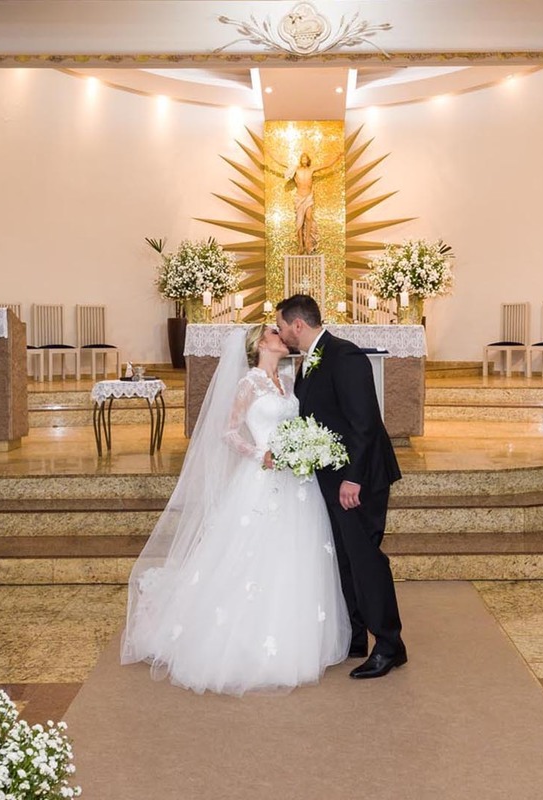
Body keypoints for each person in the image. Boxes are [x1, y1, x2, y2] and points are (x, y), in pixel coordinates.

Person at [121, 324, 351, 695]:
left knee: (296, 556)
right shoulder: (249, 383)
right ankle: (240, 643)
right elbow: (228, 432)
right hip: (262, 476)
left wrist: (306, 448)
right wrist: (261, 453)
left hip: (298, 482)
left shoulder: (291, 380)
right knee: (251, 557)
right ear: (261, 344)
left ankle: (297, 641)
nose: (283, 338)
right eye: (276, 334)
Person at [275, 294, 407, 679]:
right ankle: (355, 634)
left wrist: (353, 478)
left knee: (366, 559)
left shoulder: (344, 356)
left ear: (298, 325)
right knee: (345, 558)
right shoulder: (311, 360)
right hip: (334, 477)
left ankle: (390, 644)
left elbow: (364, 422)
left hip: (359, 478)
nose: (281, 334)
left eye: (282, 326)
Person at [269, 150, 341, 254]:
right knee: (299, 221)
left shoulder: (311, 170)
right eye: (302, 157)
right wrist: (270, 154)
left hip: (308, 197)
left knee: (308, 217)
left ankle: (307, 241)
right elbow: (281, 163)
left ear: (308, 160)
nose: (304, 159)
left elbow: (326, 166)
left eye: (305, 157)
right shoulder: (296, 169)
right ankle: (301, 245)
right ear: (300, 160)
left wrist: (337, 157)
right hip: (299, 197)